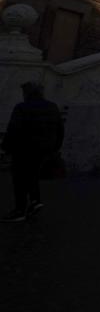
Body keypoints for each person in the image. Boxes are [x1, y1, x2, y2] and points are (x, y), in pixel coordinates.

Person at [1, 81, 64, 223]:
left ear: (26, 93)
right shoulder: (53, 107)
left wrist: (6, 149)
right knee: (33, 175)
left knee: (20, 179)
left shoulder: (22, 107)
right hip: (46, 150)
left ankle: (20, 210)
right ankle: (35, 201)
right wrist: (54, 148)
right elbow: (60, 130)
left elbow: (13, 130)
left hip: (25, 150)